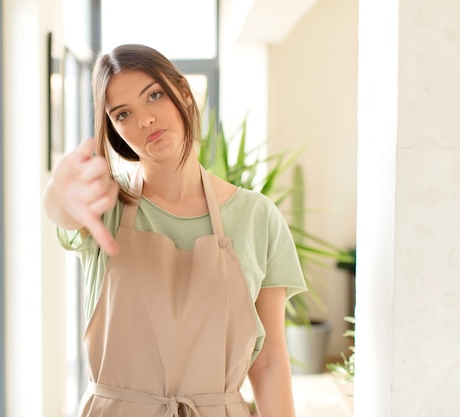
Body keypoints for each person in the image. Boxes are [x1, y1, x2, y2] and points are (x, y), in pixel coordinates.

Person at [44, 44, 307, 417]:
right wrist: (60, 195)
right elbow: (61, 210)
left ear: (183, 92)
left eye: (154, 95)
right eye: (123, 114)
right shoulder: (107, 208)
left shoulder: (256, 216)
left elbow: (268, 362)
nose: (145, 120)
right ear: (115, 131)